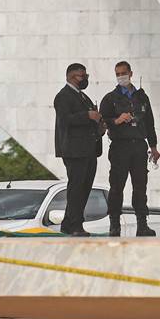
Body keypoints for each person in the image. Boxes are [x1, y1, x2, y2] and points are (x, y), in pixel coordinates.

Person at [99, 61, 159, 237]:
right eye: (117, 74)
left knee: (140, 186)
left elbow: (150, 123)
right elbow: (102, 121)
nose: (121, 77)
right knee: (117, 186)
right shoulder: (110, 98)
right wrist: (116, 120)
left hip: (139, 145)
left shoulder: (141, 97)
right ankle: (114, 225)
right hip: (120, 146)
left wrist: (154, 147)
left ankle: (142, 224)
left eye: (123, 73)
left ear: (131, 73)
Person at [54, 63, 104, 237]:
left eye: (86, 76)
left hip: (89, 149)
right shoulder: (63, 96)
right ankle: (74, 225)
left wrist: (98, 124)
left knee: (84, 187)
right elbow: (65, 119)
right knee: (76, 187)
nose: (85, 79)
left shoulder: (83, 97)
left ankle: (70, 222)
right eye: (81, 76)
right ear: (70, 77)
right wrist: (87, 116)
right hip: (74, 150)